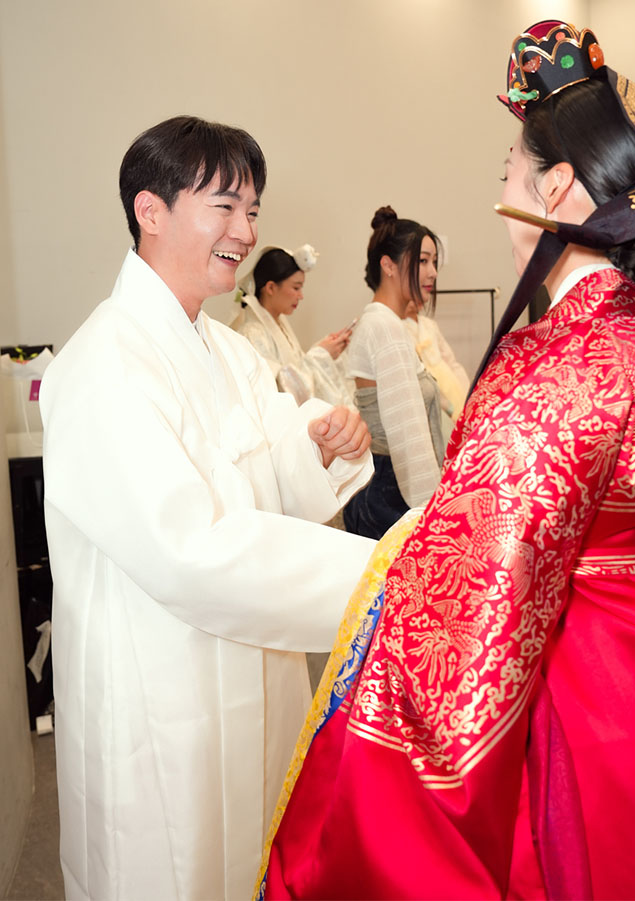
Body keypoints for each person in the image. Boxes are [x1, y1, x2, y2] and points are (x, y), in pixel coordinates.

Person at [257, 20, 635, 900]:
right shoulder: (634, 337)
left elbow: (469, 637)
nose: (500, 192)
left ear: (555, 188)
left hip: (585, 714)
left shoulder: (560, 371)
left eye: (508, 170)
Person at [39, 115, 377, 901]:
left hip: (255, 673)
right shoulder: (103, 364)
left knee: (257, 854)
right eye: (224, 206)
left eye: (252, 210)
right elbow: (189, 548)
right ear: (150, 210)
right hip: (163, 696)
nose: (246, 231)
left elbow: (269, 456)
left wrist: (317, 443)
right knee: (175, 867)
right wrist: (379, 578)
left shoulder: (229, 348)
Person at [342, 207, 447, 540]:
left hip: (386, 485)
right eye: (422, 261)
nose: (432, 272)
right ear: (387, 265)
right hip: (391, 492)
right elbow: (408, 432)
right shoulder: (384, 327)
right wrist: (431, 515)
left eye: (434, 262)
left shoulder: (385, 323)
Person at [230, 245, 355, 406]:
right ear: (271, 288)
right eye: (296, 287)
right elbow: (281, 386)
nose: (300, 296)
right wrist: (319, 355)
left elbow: (296, 368)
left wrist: (325, 351)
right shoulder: (252, 333)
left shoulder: (280, 325)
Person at [403, 298, 470, 422]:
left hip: (449, 383)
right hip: (427, 389)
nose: (421, 297)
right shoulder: (398, 328)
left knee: (461, 417)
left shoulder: (429, 324)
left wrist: (467, 391)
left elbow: (450, 361)